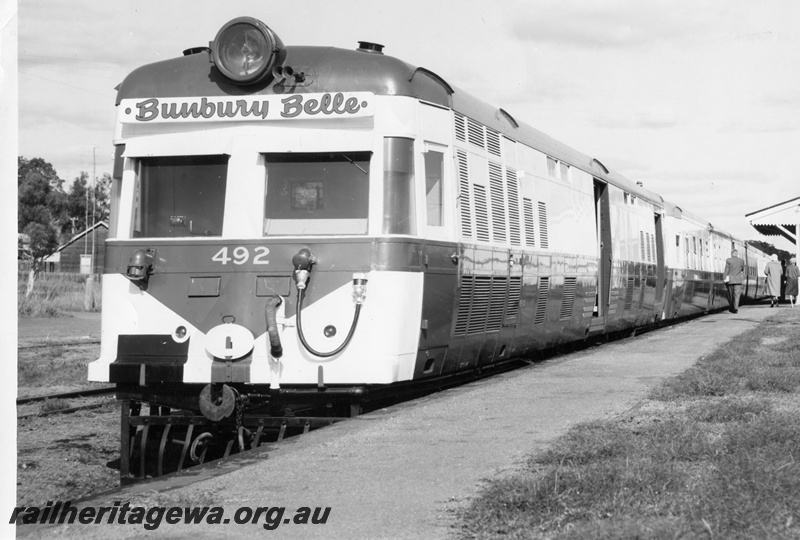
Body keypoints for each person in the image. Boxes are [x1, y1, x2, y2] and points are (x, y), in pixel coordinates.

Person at [723, 249, 745, 313]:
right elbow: (742, 269)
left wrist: (724, 278)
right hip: (738, 280)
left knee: (730, 294)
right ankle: (736, 308)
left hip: (730, 280)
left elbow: (726, 270)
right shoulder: (741, 261)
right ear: (737, 254)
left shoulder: (728, 260)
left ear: (731, 254)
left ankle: (731, 307)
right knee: (737, 295)